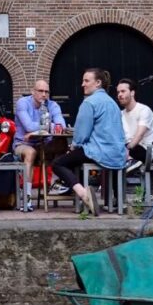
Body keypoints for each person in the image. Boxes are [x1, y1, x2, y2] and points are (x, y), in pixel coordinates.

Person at [51, 68, 127, 216]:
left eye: (86, 81)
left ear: (98, 83)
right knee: (74, 158)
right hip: (118, 154)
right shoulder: (112, 102)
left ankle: (84, 195)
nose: (82, 84)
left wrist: (72, 147)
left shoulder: (89, 103)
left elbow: (81, 135)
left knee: (58, 163)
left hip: (98, 151)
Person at [12, 79, 66, 211]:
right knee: (31, 152)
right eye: (40, 91)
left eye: (46, 92)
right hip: (22, 144)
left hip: (44, 144)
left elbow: (62, 127)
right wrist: (49, 127)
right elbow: (28, 126)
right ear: (33, 92)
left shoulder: (53, 105)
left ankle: (56, 184)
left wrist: (37, 131)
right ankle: (27, 198)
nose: (44, 94)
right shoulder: (22, 103)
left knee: (63, 144)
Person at [116, 77, 153, 173]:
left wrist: (126, 149)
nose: (119, 95)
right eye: (118, 92)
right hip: (126, 149)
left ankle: (130, 160)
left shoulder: (144, 110)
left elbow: (139, 135)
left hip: (144, 150)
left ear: (132, 93)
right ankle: (114, 187)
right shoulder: (120, 114)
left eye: (123, 91)